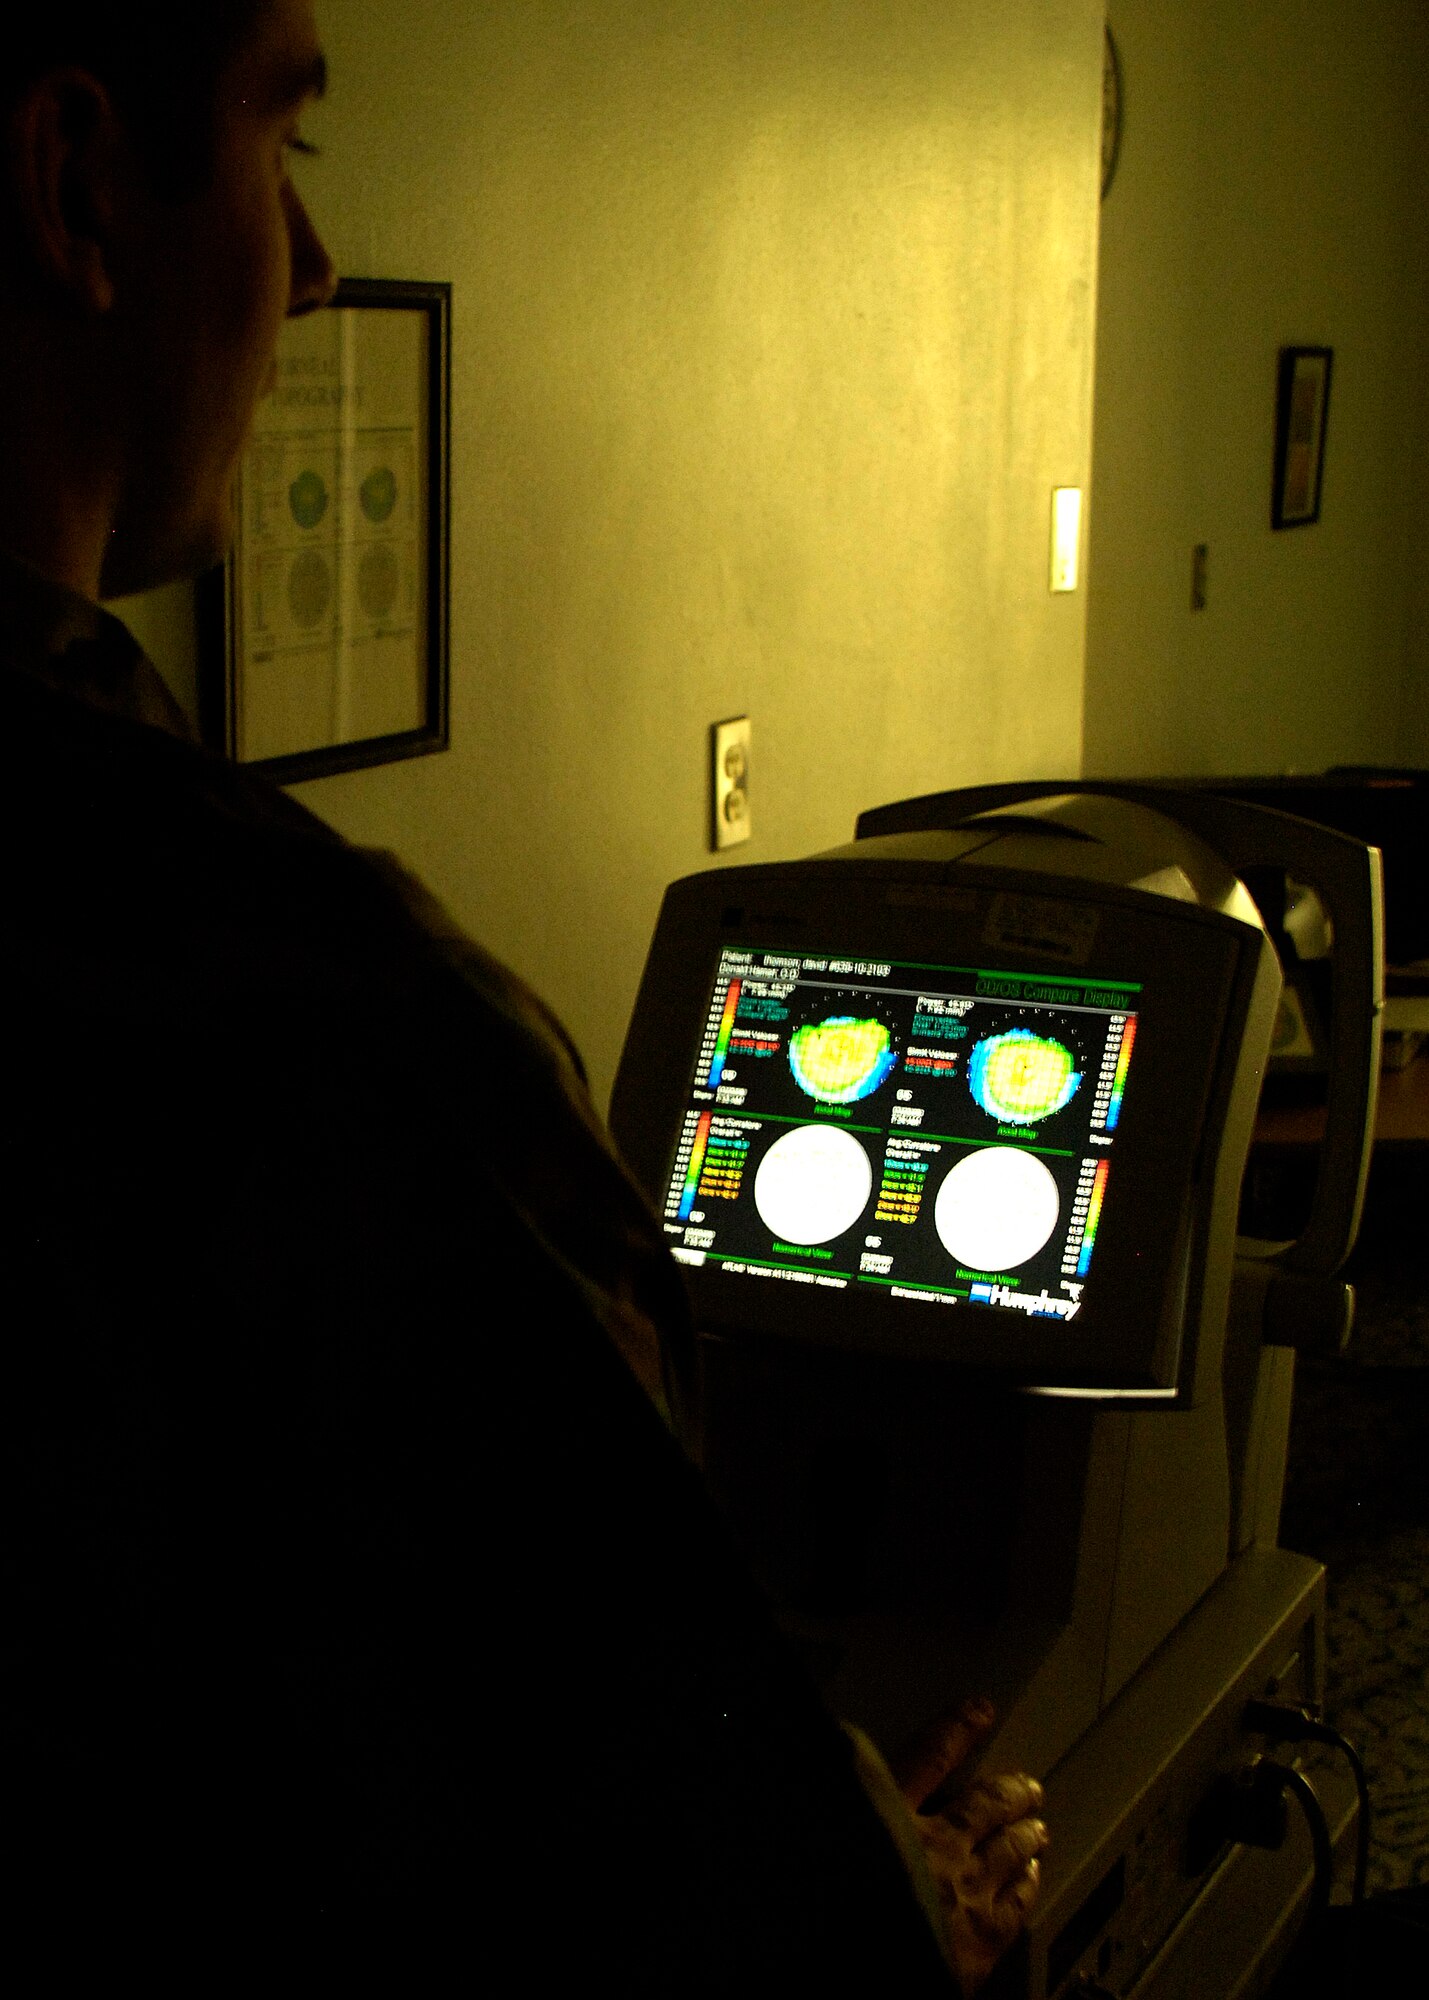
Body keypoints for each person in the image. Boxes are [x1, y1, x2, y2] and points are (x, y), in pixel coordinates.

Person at [0, 2, 1047, 1984]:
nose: (312, 265)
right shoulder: (299, 1009)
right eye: (281, 144)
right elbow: (674, 1840)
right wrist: (925, 1908)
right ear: (75, 188)